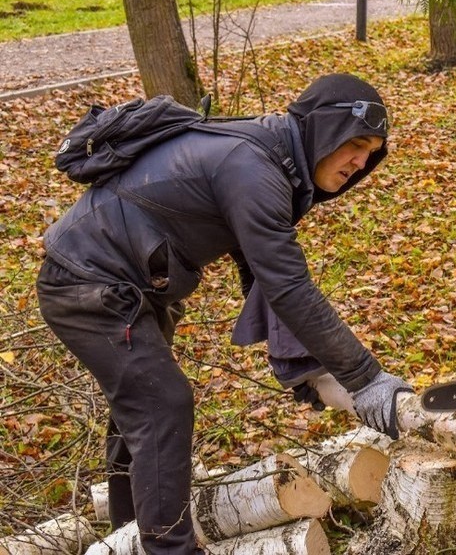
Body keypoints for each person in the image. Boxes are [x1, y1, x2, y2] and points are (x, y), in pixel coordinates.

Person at [37, 74, 412, 554]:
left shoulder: (268, 156)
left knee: (140, 409)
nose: (360, 163)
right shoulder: (252, 167)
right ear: (323, 130)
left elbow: (262, 277)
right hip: (86, 285)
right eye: (355, 145)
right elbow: (288, 286)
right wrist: (367, 379)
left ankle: (126, 537)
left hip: (126, 286)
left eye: (371, 153)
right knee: (162, 404)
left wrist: (309, 372)